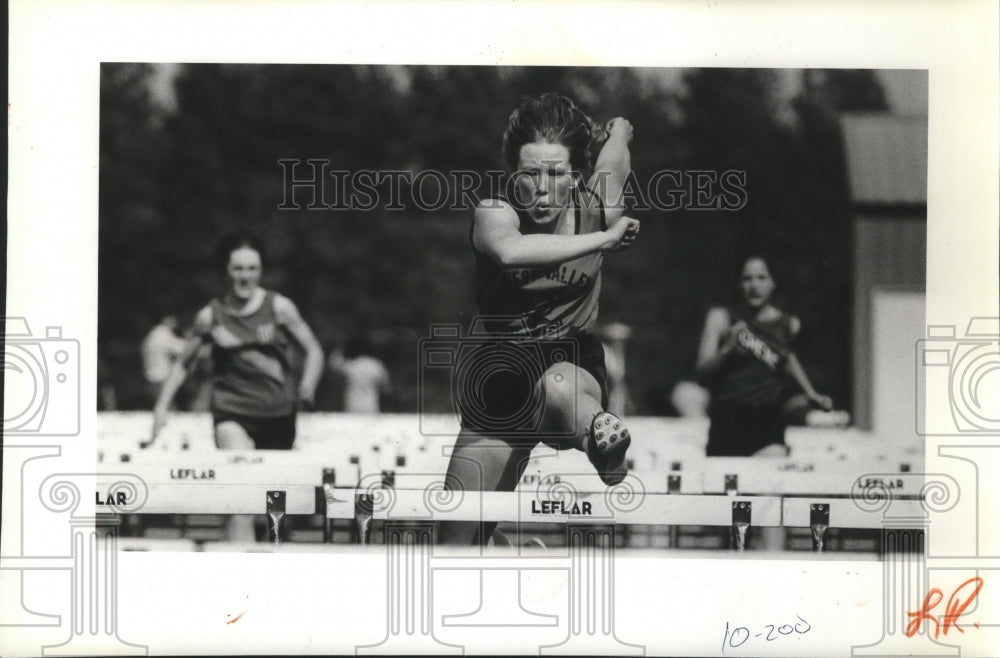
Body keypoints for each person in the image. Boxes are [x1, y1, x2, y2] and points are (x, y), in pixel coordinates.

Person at [439, 93, 641, 546]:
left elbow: (614, 157)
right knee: (454, 544)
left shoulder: (596, 204)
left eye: (556, 173)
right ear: (513, 174)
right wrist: (602, 241)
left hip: (569, 360)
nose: (543, 188)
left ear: (576, 174)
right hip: (500, 375)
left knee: (558, 385)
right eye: (530, 174)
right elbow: (512, 253)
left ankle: (600, 441)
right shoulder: (494, 214)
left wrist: (621, 131)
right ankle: (500, 556)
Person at [148, 230, 324, 539]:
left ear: (261, 271)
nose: (245, 276)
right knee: (241, 496)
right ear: (225, 271)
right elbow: (183, 363)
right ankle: (239, 573)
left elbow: (313, 350)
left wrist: (308, 382)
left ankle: (270, 566)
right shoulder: (210, 316)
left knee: (272, 505)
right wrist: (161, 407)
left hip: (278, 414)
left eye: (252, 269)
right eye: (238, 268)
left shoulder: (280, 307)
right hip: (233, 413)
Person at [695, 254, 833, 457]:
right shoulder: (721, 318)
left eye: (762, 278)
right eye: (747, 279)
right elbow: (701, 374)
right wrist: (727, 350)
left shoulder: (787, 324)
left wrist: (811, 393)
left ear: (773, 283)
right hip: (727, 423)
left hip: (767, 423)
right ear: (738, 283)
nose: (754, 286)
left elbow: (786, 358)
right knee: (725, 486)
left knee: (769, 483)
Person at [327, 334, 391, 413]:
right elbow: (386, 389)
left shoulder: (351, 365)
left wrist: (340, 346)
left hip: (352, 405)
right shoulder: (376, 365)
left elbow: (333, 365)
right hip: (371, 406)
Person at [141, 314, 186, 406]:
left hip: (151, 378)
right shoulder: (162, 333)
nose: (175, 323)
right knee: (167, 411)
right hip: (160, 380)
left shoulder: (152, 333)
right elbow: (182, 349)